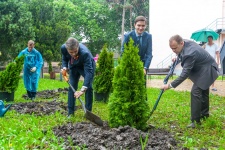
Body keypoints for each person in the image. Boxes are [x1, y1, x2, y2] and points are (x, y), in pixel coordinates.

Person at [161, 35, 219, 128]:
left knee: (195, 92)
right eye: (172, 49)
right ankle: (205, 115)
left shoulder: (190, 53)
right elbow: (182, 53)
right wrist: (178, 57)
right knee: (203, 91)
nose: (173, 51)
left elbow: (184, 74)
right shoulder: (184, 43)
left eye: (175, 48)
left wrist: (169, 86)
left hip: (208, 69)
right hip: (204, 67)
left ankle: (195, 122)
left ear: (181, 43)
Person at [61, 37, 95, 117]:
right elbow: (64, 59)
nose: (73, 54)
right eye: (71, 52)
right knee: (72, 86)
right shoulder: (63, 48)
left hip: (86, 66)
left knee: (89, 87)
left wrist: (82, 90)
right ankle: (70, 113)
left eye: (75, 51)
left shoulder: (85, 53)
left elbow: (88, 73)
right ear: (67, 49)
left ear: (78, 47)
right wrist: (64, 68)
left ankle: (88, 112)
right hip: (74, 66)